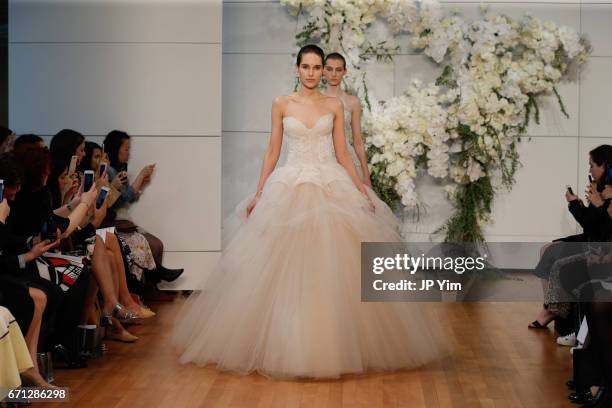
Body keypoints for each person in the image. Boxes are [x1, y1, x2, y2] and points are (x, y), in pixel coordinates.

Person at [173, 44, 446, 379]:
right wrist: (260, 192)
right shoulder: (281, 104)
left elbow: (344, 153)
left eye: (318, 68)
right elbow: (273, 150)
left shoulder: (335, 105)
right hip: (290, 184)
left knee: (334, 265)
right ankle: (287, 341)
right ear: (297, 68)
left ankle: (334, 342)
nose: (313, 73)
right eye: (307, 67)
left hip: (331, 183)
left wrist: (362, 189)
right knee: (282, 266)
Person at [322, 53, 372, 186]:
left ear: (344, 72)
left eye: (338, 70)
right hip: (322, 158)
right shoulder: (315, 100)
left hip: (347, 159)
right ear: (323, 70)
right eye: (329, 69)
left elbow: (358, 141)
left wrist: (366, 175)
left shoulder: (352, 102)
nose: (333, 74)